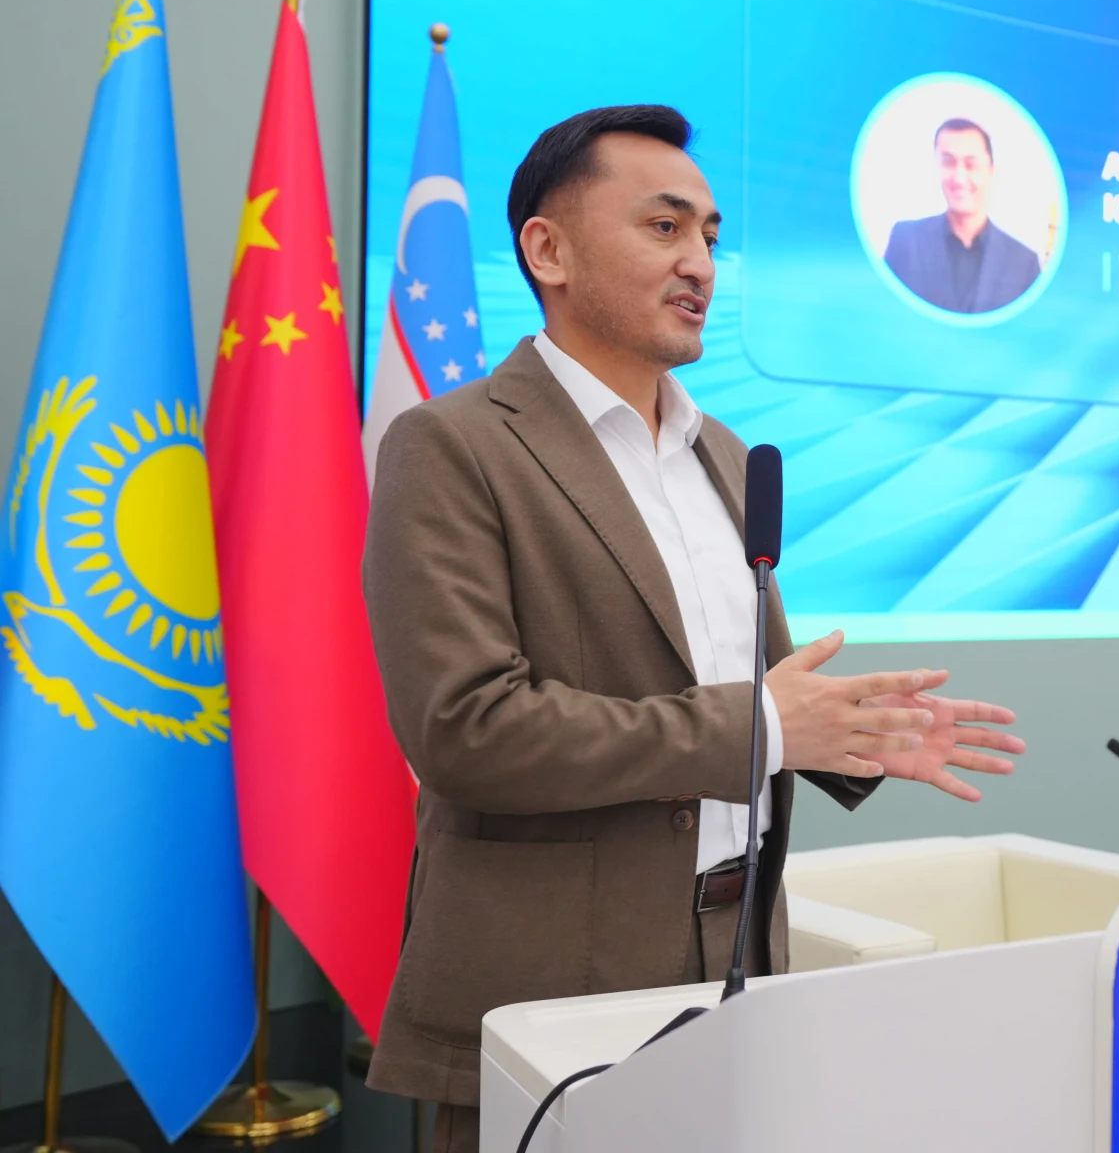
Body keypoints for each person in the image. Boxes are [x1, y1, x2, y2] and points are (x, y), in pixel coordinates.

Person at [362, 105, 1024, 1153]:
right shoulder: (452, 446)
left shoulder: (726, 452)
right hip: (553, 984)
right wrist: (766, 726)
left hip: (741, 959)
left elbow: (753, 690)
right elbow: (467, 729)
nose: (701, 263)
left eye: (711, 235)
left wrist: (855, 733)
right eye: (665, 227)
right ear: (548, 250)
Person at [882, 117, 1042, 314]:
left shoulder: (1024, 263)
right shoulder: (905, 240)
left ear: (990, 171)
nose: (959, 178)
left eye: (971, 165)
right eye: (948, 162)